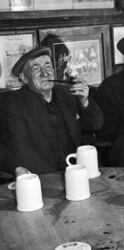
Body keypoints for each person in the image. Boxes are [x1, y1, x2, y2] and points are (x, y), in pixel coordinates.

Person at [0, 46, 103, 175]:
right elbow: (21, 150)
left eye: (48, 67)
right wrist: (53, 178)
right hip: (43, 176)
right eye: (36, 68)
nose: (45, 73)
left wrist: (85, 102)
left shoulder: (66, 94)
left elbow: (96, 125)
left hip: (75, 170)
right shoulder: (13, 103)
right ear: (24, 78)